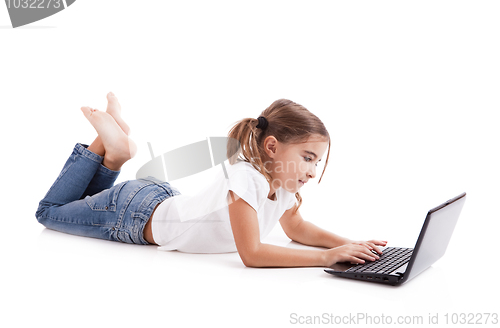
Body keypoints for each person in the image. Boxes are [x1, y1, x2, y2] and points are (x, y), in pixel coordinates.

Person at [35, 92, 387, 268]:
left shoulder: (281, 184)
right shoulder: (247, 178)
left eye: (318, 161)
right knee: (50, 212)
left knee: (76, 207)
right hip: (132, 215)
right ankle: (106, 147)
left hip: (154, 201)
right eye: (307, 158)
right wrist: (326, 259)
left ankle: (114, 152)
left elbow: (297, 229)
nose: (313, 170)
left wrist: (348, 245)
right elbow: (252, 253)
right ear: (272, 147)